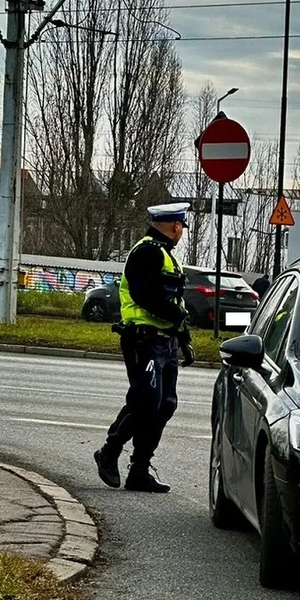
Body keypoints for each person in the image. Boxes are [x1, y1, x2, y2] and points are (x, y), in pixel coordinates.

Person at [93, 203, 196, 494]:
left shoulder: (165, 256)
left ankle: (139, 470)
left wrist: (183, 338)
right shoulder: (147, 251)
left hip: (165, 342)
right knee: (144, 402)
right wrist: (177, 319)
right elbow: (145, 294)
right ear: (176, 227)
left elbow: (175, 302)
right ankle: (109, 452)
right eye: (181, 229)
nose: (181, 234)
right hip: (144, 340)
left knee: (164, 406)